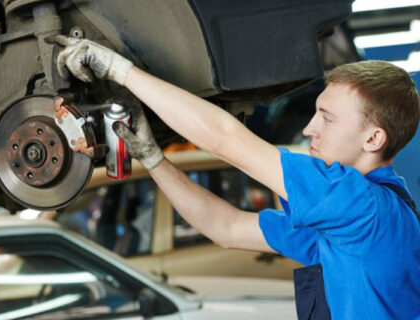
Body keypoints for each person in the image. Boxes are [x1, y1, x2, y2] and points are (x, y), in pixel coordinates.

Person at [50, 35, 420, 319]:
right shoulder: (343, 226)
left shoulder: (364, 209)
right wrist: (153, 159)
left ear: (373, 139)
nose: (309, 128)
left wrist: (118, 69)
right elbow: (225, 228)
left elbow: (226, 140)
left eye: (328, 117)